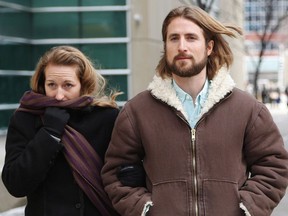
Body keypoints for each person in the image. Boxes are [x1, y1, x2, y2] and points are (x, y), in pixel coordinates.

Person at [101, 6, 288, 216]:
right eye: (174, 38)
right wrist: (145, 210)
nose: (182, 46)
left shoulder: (248, 109)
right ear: (165, 46)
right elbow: (116, 174)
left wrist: (246, 209)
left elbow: (274, 166)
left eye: (191, 38)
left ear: (209, 47)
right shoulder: (136, 112)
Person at [1, 45, 121, 216]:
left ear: (82, 85)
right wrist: (49, 134)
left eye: (68, 85)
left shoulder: (107, 118)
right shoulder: (26, 119)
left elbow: (122, 175)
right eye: (52, 85)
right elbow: (15, 184)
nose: (58, 95)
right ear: (42, 84)